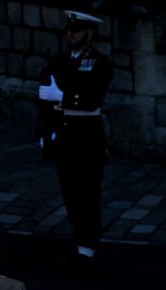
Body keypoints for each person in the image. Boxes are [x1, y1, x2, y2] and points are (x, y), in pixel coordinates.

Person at [39, 7, 112, 264]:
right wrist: (45, 132)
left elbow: (92, 99)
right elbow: (46, 101)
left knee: (88, 192)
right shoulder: (59, 60)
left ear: (89, 34)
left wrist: (62, 97)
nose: (71, 35)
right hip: (64, 135)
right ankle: (80, 239)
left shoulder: (99, 63)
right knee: (69, 191)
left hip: (87, 135)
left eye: (77, 31)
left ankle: (88, 246)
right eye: (69, 30)